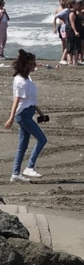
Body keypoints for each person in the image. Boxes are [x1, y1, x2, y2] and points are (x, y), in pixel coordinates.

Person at [4, 50, 48, 182]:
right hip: (23, 115)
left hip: (28, 112)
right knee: (42, 139)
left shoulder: (27, 78)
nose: (35, 65)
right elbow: (16, 101)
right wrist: (11, 118)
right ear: (27, 65)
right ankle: (29, 167)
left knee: (22, 146)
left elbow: (30, 101)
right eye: (33, 63)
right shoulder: (21, 82)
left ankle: (15, 174)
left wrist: (41, 113)